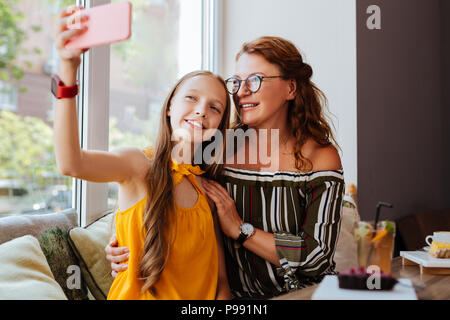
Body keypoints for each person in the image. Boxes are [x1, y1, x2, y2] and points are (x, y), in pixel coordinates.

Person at [107, 36, 345, 299]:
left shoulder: (321, 158)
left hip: (305, 294)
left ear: (290, 88)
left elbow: (316, 256)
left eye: (255, 80)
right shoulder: (217, 148)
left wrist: (241, 230)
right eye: (237, 82)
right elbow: (163, 190)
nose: (241, 92)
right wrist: (121, 240)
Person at [53, 7, 231, 300]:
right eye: (192, 97)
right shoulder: (137, 164)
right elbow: (71, 163)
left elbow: (220, 283)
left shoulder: (206, 189)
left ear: (219, 126)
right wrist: (68, 71)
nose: (202, 110)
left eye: (215, 107)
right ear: (170, 106)